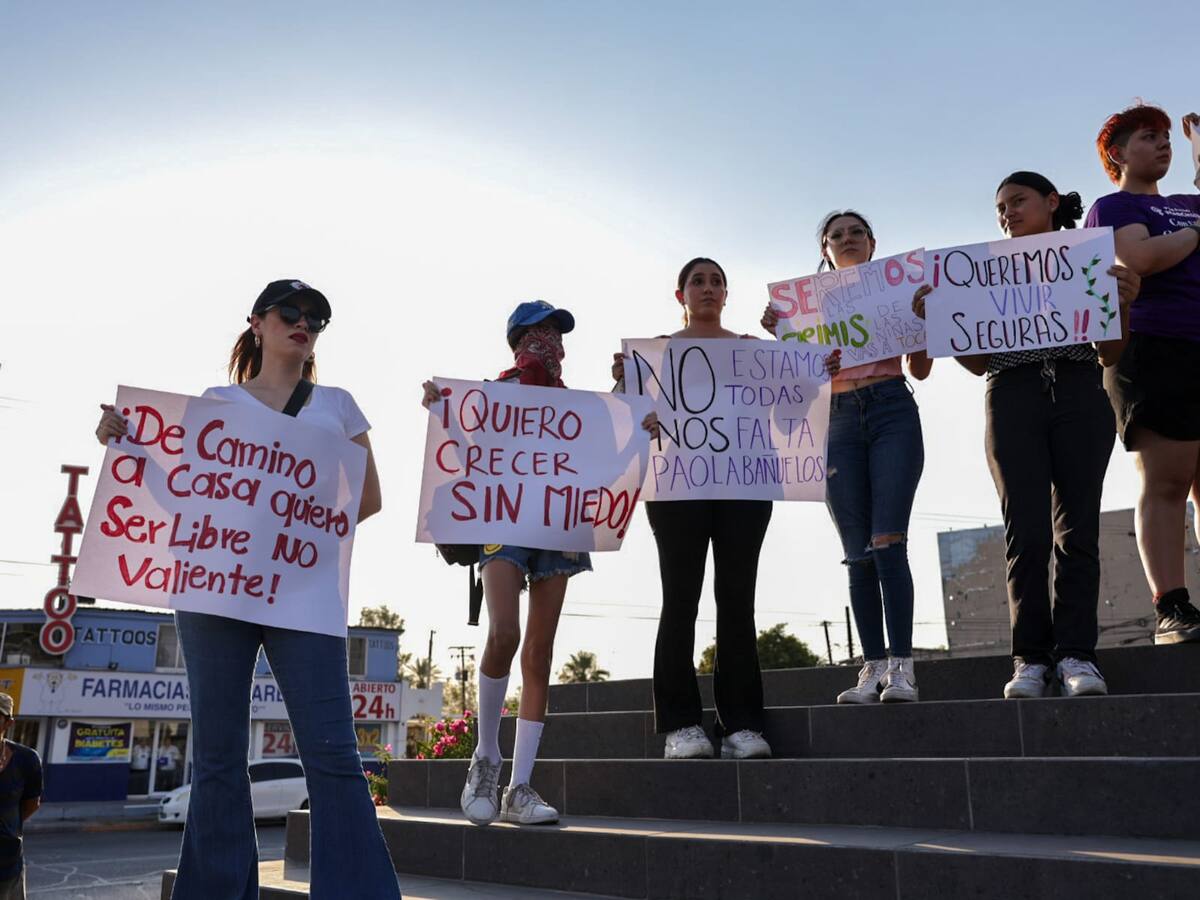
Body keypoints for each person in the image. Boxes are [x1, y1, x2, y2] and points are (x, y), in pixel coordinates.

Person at [95, 279, 399, 900]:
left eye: (315, 317)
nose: (303, 322)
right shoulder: (214, 403)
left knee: (334, 754)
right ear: (257, 323)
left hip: (302, 593)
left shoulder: (338, 404)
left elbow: (364, 499)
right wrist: (123, 438)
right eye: (290, 311)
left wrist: (294, 533)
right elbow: (180, 495)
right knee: (217, 757)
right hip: (216, 592)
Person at [425, 301, 658, 826]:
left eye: (555, 333)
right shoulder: (494, 393)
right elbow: (463, 453)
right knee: (503, 632)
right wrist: (443, 411)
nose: (548, 341)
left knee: (540, 651)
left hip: (560, 525)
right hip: (503, 522)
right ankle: (484, 758)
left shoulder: (577, 406)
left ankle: (520, 786)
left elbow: (609, 461)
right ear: (516, 339)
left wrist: (637, 422)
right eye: (538, 331)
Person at [913, 173, 1140, 697]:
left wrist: (1124, 302)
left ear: (1050, 202)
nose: (1007, 213)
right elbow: (976, 362)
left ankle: (1079, 656)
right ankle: (1031, 660)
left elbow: (1110, 353)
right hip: (1010, 394)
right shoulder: (981, 273)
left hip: (1081, 389)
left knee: (1077, 529)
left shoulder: (1087, 259)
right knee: (1026, 532)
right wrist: (940, 319)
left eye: (1017, 201)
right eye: (1000, 207)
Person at [615, 258, 781, 760]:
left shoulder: (751, 350)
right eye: (697, 282)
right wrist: (624, 383)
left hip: (744, 486)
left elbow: (791, 409)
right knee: (680, 599)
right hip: (676, 487)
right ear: (680, 294)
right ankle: (681, 725)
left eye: (716, 282)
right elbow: (626, 420)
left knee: (738, 601)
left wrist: (794, 363)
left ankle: (742, 726)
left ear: (727, 294)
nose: (707, 289)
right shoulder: (654, 355)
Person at [763, 214, 930, 704]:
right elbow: (797, 385)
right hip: (834, 418)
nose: (847, 239)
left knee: (887, 541)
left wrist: (922, 321)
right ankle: (872, 666)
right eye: (836, 235)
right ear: (825, 249)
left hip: (891, 408)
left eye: (856, 232)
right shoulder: (804, 308)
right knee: (857, 551)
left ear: (873, 244)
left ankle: (903, 668)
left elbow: (920, 370)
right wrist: (782, 336)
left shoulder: (898, 293)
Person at [1085, 104, 1200, 646]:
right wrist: (1198, 233)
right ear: (1117, 154)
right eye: (1148, 138)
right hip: (1154, 346)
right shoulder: (1115, 204)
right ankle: (1171, 608)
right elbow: (1138, 259)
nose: (1163, 145)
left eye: (1166, 139)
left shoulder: (1188, 202)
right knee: (1169, 480)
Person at [0, 693, 41, 900]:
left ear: (8, 722)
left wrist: (7, 827)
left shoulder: (27, 760)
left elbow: (31, 804)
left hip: (7, 865)